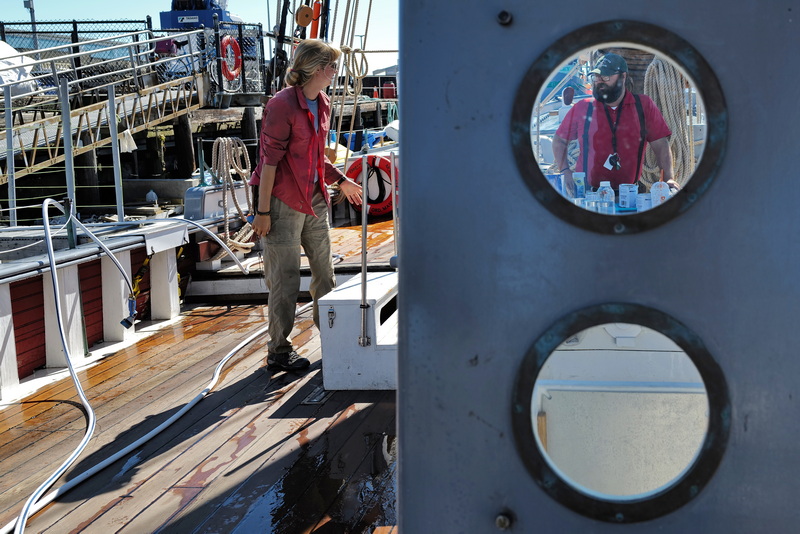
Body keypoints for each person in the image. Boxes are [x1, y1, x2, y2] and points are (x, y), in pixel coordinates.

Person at [250, 39, 363, 371]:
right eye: (333, 68)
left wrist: (340, 179)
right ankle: (279, 352)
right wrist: (263, 212)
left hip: (315, 199)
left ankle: (333, 340)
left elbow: (314, 158)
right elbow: (268, 163)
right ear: (318, 69)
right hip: (282, 201)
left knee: (324, 275)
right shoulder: (282, 105)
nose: (336, 73)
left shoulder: (323, 102)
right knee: (284, 280)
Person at [552, 53, 679, 196]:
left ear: (622, 77)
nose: (599, 82)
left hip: (629, 194)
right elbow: (559, 140)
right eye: (596, 77)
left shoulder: (643, 105)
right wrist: (565, 171)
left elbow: (660, 144)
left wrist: (668, 179)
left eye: (606, 77)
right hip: (589, 194)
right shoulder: (582, 108)